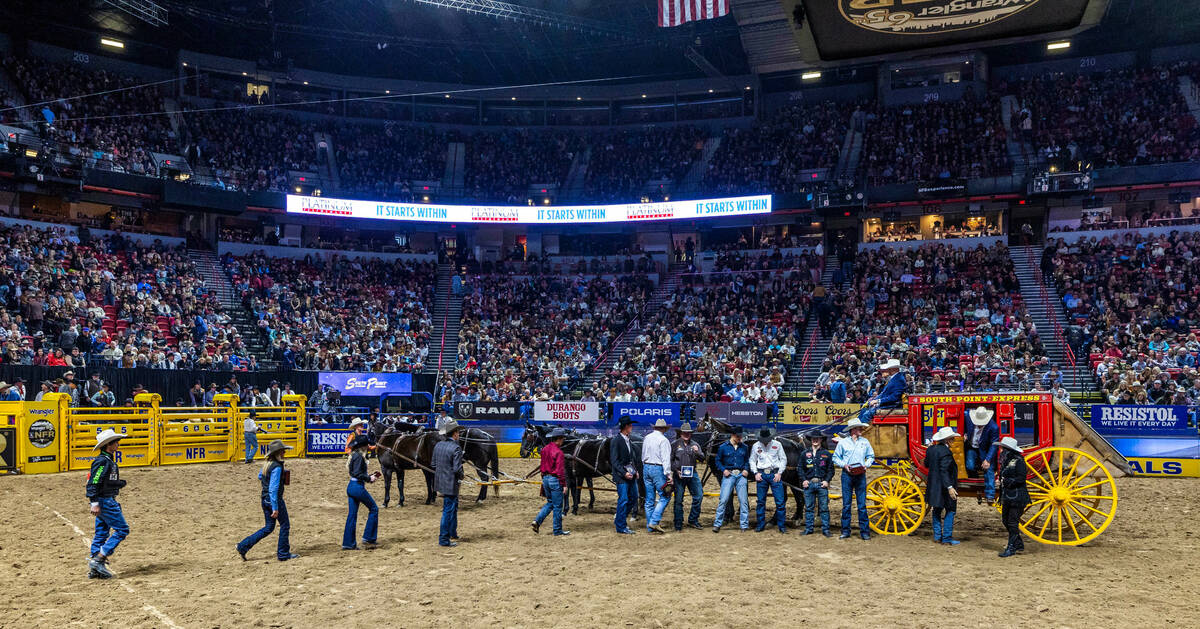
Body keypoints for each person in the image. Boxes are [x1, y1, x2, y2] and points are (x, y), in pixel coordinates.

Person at [236, 440, 299, 561]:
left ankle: (243, 546)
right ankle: (283, 554)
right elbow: (273, 489)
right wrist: (275, 507)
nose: (285, 452)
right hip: (273, 500)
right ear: (279, 452)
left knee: (269, 527)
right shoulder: (277, 467)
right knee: (285, 525)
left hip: (264, 499)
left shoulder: (267, 464)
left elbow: (261, 476)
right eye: (283, 451)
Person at [86, 429, 129, 579]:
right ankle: (99, 558)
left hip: (104, 499)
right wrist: (94, 502)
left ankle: (95, 564)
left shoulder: (105, 460)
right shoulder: (103, 461)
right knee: (122, 529)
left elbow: (99, 481)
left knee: (102, 532)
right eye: (115, 442)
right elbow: (94, 482)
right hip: (105, 501)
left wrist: (116, 484)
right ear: (108, 445)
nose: (118, 444)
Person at [833, 418, 874, 540]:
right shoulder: (843, 443)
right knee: (846, 505)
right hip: (847, 475)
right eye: (858, 427)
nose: (861, 429)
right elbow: (835, 458)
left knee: (861, 505)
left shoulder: (865, 442)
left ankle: (864, 532)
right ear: (853, 430)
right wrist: (844, 465)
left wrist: (866, 465)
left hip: (860, 474)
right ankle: (846, 531)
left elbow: (871, 456)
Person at [342, 434, 380, 550]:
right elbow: (358, 473)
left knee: (352, 515)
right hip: (357, 487)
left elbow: (355, 473)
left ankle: (348, 543)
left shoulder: (354, 455)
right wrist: (369, 478)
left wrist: (369, 477)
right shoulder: (359, 457)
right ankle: (369, 537)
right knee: (374, 508)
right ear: (363, 446)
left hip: (351, 486)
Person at [924, 426, 961, 546]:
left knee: (936, 510)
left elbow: (926, 464)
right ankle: (946, 538)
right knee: (950, 510)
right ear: (948, 440)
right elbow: (944, 471)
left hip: (933, 486)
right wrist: (950, 487)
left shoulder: (930, 450)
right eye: (952, 439)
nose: (954, 441)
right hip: (944, 487)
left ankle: (937, 536)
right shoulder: (946, 453)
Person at [712, 426, 750, 533]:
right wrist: (723, 470)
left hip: (741, 475)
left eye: (740, 436)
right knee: (723, 500)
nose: (740, 438)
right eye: (738, 436)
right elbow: (718, 461)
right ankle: (717, 523)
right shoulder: (723, 447)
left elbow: (747, 460)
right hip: (729, 474)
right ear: (733, 435)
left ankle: (744, 525)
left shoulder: (744, 447)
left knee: (743, 501)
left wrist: (746, 469)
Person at [531, 428, 569, 536]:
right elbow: (560, 471)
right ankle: (557, 530)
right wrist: (564, 485)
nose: (563, 441)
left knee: (550, 502)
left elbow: (542, 466)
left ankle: (537, 521)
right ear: (560, 439)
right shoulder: (559, 453)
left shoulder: (545, 449)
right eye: (563, 439)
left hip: (545, 479)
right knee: (557, 506)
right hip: (554, 479)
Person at [996, 436, 1030, 557]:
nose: (1001, 451)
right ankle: (1018, 543)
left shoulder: (1019, 461)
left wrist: (1006, 482)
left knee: (1012, 522)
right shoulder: (1008, 460)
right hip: (1008, 496)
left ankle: (1011, 547)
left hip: (1017, 497)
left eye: (1003, 448)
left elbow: (1021, 478)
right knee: (1006, 520)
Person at [750, 427, 788, 534]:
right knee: (761, 501)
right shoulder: (756, 446)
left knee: (780, 502)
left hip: (774, 474)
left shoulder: (777, 445)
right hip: (761, 474)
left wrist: (779, 472)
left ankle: (781, 526)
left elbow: (783, 459)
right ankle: (760, 524)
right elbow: (752, 460)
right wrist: (755, 472)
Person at [433, 420, 464, 547]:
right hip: (451, 483)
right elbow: (457, 469)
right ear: (454, 434)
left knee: (452, 507)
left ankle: (452, 532)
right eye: (458, 433)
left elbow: (433, 464)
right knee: (448, 510)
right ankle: (444, 539)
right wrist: (461, 475)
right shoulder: (456, 448)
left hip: (441, 482)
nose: (459, 435)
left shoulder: (438, 445)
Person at [670, 422, 705, 531]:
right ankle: (678, 523)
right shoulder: (675, 444)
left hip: (692, 472)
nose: (686, 434)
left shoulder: (695, 444)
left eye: (688, 433)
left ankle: (693, 520)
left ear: (691, 434)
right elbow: (669, 461)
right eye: (684, 433)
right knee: (679, 499)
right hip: (679, 473)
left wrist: (697, 452)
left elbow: (703, 458)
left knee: (699, 495)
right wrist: (676, 470)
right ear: (681, 433)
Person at [640, 418, 673, 534]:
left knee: (649, 499)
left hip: (646, 467)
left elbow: (643, 455)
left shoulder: (647, 438)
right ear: (664, 429)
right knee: (665, 496)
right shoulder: (663, 440)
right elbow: (665, 459)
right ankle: (654, 521)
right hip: (657, 468)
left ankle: (650, 526)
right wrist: (668, 474)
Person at [609, 416, 639, 535]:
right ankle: (621, 525)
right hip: (621, 476)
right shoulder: (616, 441)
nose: (632, 427)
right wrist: (624, 473)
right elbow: (614, 461)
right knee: (624, 499)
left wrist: (635, 470)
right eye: (631, 425)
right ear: (626, 427)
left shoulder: (628, 440)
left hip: (630, 473)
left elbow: (631, 459)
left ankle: (619, 520)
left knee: (634, 497)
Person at [800, 432, 834, 536]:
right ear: (810, 440)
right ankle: (809, 528)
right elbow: (800, 468)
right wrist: (804, 480)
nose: (815, 440)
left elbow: (831, 469)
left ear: (820, 440)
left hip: (821, 483)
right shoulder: (804, 454)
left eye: (817, 438)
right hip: (809, 484)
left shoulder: (826, 454)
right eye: (813, 438)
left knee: (824, 508)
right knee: (809, 507)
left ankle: (826, 529)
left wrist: (826, 480)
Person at [964, 406, 999, 502]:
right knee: (970, 466)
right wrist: (963, 433)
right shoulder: (968, 417)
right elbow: (962, 414)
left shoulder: (993, 427)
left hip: (984, 449)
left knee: (989, 469)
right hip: (971, 447)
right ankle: (975, 483)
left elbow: (994, 445)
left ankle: (990, 495)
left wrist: (987, 459)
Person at [861, 359, 906, 424]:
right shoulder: (894, 378)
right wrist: (873, 400)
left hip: (891, 405)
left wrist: (878, 401)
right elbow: (883, 393)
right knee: (864, 409)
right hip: (886, 403)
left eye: (890, 368)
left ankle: (860, 431)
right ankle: (855, 429)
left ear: (895, 369)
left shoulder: (899, 379)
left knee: (867, 414)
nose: (888, 370)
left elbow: (894, 397)